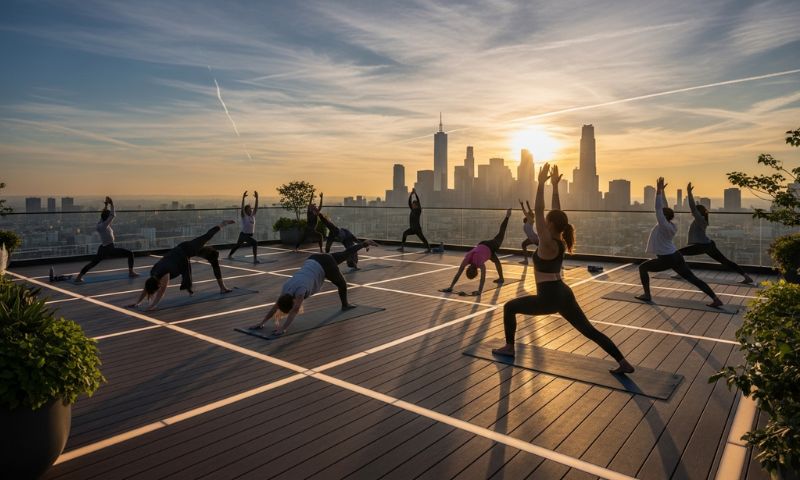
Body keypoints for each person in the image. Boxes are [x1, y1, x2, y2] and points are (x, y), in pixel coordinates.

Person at [492, 164, 635, 374]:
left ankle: (509, 347)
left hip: (548, 297)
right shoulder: (558, 239)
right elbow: (555, 212)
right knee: (589, 331)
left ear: (549, 224)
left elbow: (539, 210)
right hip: (563, 293)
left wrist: (541, 183)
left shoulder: (547, 243)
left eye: (546, 221)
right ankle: (623, 362)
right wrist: (555, 187)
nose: (543, 220)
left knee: (509, 307)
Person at [250, 239, 378, 335]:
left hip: (324, 265)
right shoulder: (286, 289)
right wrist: (261, 323)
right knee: (345, 254)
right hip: (313, 259)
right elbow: (276, 307)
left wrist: (283, 329)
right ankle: (364, 244)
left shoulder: (300, 292)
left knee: (342, 284)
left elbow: (294, 310)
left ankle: (345, 305)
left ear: (291, 303)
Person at [636, 177, 723, 307]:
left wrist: (658, 191)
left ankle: (647, 295)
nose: (659, 215)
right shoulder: (672, 225)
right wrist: (662, 192)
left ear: (664, 217)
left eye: (661, 215)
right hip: (676, 256)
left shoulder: (663, 226)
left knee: (642, 268)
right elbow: (664, 207)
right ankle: (715, 298)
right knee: (692, 278)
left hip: (667, 258)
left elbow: (658, 208)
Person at [129, 220, 235, 310]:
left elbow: (161, 292)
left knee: (206, 237)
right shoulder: (153, 273)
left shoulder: (164, 275)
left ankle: (222, 224)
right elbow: (147, 287)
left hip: (188, 248)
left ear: (158, 285)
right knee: (213, 255)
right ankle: (222, 288)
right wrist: (137, 303)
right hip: (181, 252)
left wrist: (153, 305)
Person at [678, 183, 753, 284]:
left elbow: (693, 208)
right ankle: (746, 276)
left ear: (698, 212)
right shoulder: (701, 219)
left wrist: (689, 192)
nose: (692, 213)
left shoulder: (700, 220)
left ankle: (682, 273)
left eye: (695, 212)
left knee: (677, 254)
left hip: (702, 246)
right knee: (725, 261)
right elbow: (695, 208)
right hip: (707, 245)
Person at [441, 208, 512, 295]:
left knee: (501, 233)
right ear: (469, 268)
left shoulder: (478, 263)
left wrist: (451, 287)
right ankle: (501, 278)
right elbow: (461, 274)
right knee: (496, 260)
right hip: (483, 245)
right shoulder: (468, 259)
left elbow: (479, 277)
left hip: (491, 247)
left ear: (476, 271)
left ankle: (507, 216)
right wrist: (451, 287)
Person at [75, 196, 137, 283]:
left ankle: (79, 277)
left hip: (103, 248)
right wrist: (112, 204)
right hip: (109, 248)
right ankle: (131, 272)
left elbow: (103, 216)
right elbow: (112, 215)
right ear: (106, 218)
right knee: (130, 253)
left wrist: (106, 206)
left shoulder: (100, 224)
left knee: (93, 263)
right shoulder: (104, 225)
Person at [228, 190, 260, 264]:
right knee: (255, 243)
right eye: (248, 210)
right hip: (244, 235)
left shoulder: (252, 216)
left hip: (245, 235)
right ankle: (255, 259)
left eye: (250, 209)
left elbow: (256, 207)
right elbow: (242, 208)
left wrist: (257, 198)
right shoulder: (244, 216)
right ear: (246, 211)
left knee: (237, 245)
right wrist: (243, 198)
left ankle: (229, 255)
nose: (250, 210)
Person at [399, 188, 431, 252]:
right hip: (412, 228)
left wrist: (415, 194)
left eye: (413, 205)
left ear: (416, 205)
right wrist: (411, 194)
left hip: (417, 229)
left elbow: (418, 201)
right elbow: (409, 202)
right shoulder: (413, 209)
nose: (412, 205)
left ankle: (429, 248)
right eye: (412, 205)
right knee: (404, 233)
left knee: (422, 238)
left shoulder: (418, 210)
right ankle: (402, 247)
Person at [518, 199, 539, 264]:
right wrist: (526, 204)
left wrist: (523, 205)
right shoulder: (529, 221)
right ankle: (526, 261)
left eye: (529, 214)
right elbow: (529, 212)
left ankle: (552, 259)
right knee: (523, 244)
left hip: (534, 238)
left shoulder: (530, 220)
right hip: (532, 238)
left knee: (543, 248)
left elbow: (526, 212)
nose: (528, 214)